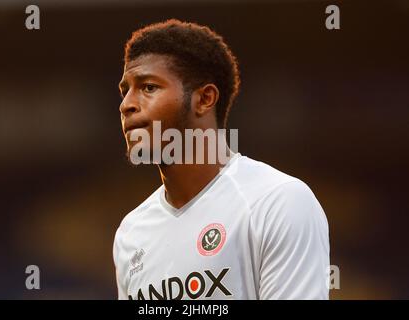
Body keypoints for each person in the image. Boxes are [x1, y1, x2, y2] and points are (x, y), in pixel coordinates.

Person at [113, 19, 330, 300]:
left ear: (204, 99)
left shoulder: (278, 201)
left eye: (149, 87)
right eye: (124, 90)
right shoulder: (131, 233)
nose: (126, 104)